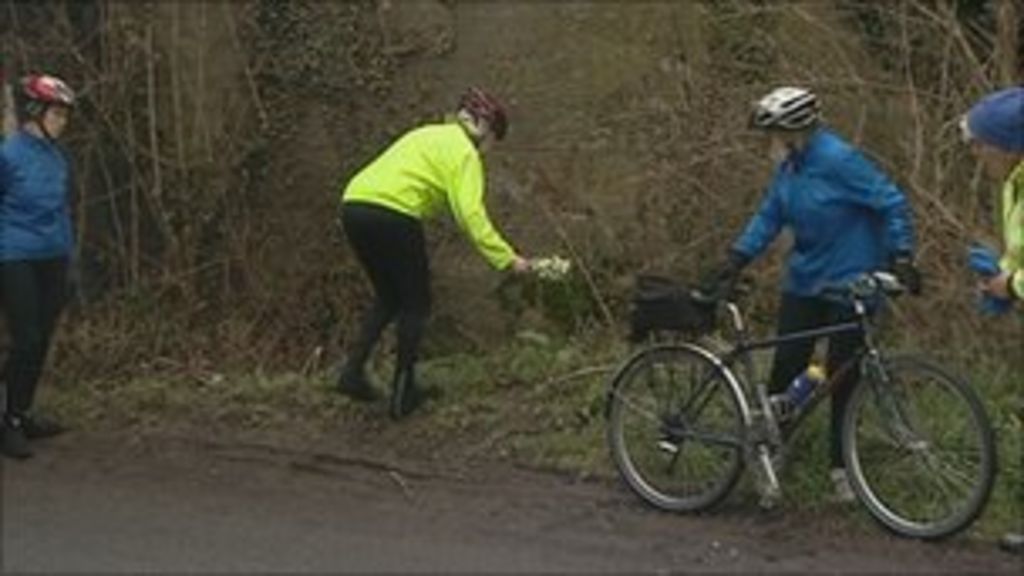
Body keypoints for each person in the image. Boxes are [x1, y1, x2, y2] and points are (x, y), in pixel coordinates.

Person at [705, 86, 921, 503]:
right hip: (805, 279)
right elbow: (769, 215)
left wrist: (901, 255)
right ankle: (771, 450)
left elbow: (891, 202)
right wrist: (735, 258)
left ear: (794, 132)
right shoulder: (791, 166)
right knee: (787, 367)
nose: (768, 145)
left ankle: (842, 468)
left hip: (850, 282)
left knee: (845, 375)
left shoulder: (838, 160)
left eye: (772, 136)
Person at [337, 87, 531, 420]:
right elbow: (470, 215)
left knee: (388, 296)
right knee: (416, 303)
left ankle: (352, 373)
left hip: (354, 205)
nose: (488, 150)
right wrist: (507, 258)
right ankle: (403, 393)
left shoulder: (427, 134)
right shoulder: (464, 154)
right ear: (483, 128)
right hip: (394, 213)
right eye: (492, 141)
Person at [959, 85, 1023, 555]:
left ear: (1009, 145)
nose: (977, 153)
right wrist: (1002, 273)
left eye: (982, 143)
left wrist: (1013, 286)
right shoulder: (1013, 183)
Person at [0, 73, 77, 459]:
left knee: (42, 339)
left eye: (65, 115)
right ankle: (9, 422)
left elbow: (62, 211)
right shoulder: (8, 155)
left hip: (53, 257)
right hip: (15, 256)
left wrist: (70, 260)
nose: (62, 122)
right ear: (35, 112)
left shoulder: (59, 158)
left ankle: (23, 411)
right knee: (26, 338)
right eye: (57, 114)